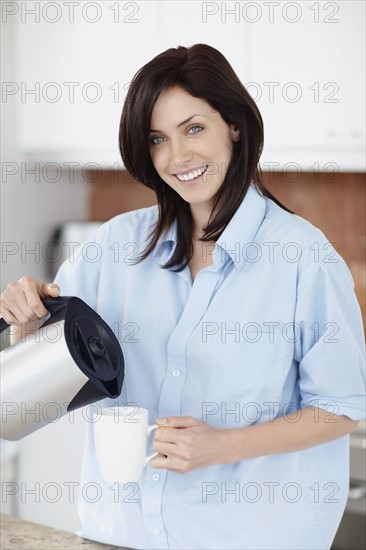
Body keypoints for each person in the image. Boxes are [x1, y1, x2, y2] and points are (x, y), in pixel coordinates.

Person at [1, 44, 365, 550]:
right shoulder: (112, 249)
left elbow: (342, 406)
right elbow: (32, 397)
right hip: (118, 535)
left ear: (234, 125)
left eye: (194, 128)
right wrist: (25, 326)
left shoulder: (303, 258)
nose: (178, 157)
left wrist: (222, 445)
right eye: (158, 139)